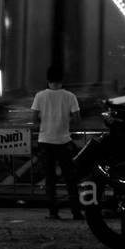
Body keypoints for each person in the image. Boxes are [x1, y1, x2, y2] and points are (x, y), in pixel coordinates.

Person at [31, 64, 82, 220]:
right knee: (70, 178)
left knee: (50, 179)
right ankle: (76, 212)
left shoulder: (40, 96)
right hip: (64, 140)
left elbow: (33, 118)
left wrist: (44, 123)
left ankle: (53, 212)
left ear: (48, 79)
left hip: (45, 140)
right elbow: (77, 119)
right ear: (62, 79)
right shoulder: (70, 96)